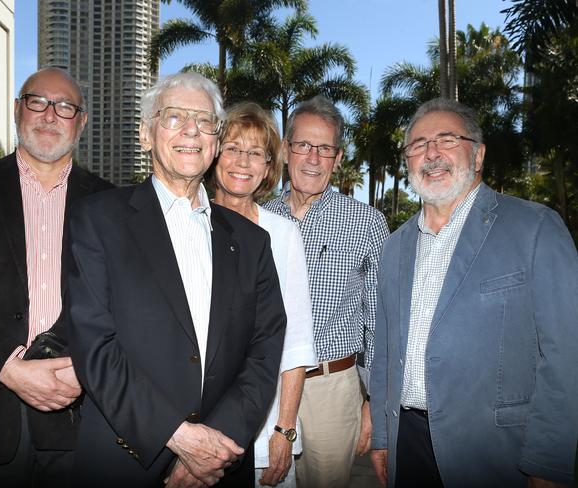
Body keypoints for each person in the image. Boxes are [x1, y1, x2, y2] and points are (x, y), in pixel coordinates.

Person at [66, 72, 287, 487]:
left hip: (221, 466)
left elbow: (264, 350)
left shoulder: (253, 242)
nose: (191, 130)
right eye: (174, 117)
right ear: (146, 134)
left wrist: (215, 445)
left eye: (205, 121)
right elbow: (93, 344)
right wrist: (178, 437)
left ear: (216, 140)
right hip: (124, 460)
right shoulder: (97, 220)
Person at [369, 97, 578, 488]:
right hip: (407, 444)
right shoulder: (394, 247)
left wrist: (548, 460)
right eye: (418, 144)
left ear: (478, 155)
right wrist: (383, 436)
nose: (431, 153)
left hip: (498, 453)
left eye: (447, 139)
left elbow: (567, 353)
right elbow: (383, 351)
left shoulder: (534, 228)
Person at [0, 67, 112, 487]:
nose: (50, 115)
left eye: (65, 107)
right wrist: (8, 367)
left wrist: (78, 369)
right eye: (37, 101)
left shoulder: (110, 203)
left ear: (81, 121)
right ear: (17, 110)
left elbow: (116, 301)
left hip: (78, 414)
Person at [264, 96, 389, 488]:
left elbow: (381, 320)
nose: (313, 157)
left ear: (337, 158)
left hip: (331, 389)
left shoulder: (365, 222)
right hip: (266, 389)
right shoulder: (259, 218)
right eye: (303, 145)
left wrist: (373, 405)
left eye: (325, 148)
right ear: (286, 150)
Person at [209, 101, 317, 487]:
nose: (243, 161)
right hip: (198, 432)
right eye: (233, 148)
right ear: (214, 153)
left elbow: (297, 338)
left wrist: (284, 429)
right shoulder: (189, 223)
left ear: (269, 167)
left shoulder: (283, 234)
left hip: (266, 430)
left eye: (255, 153)